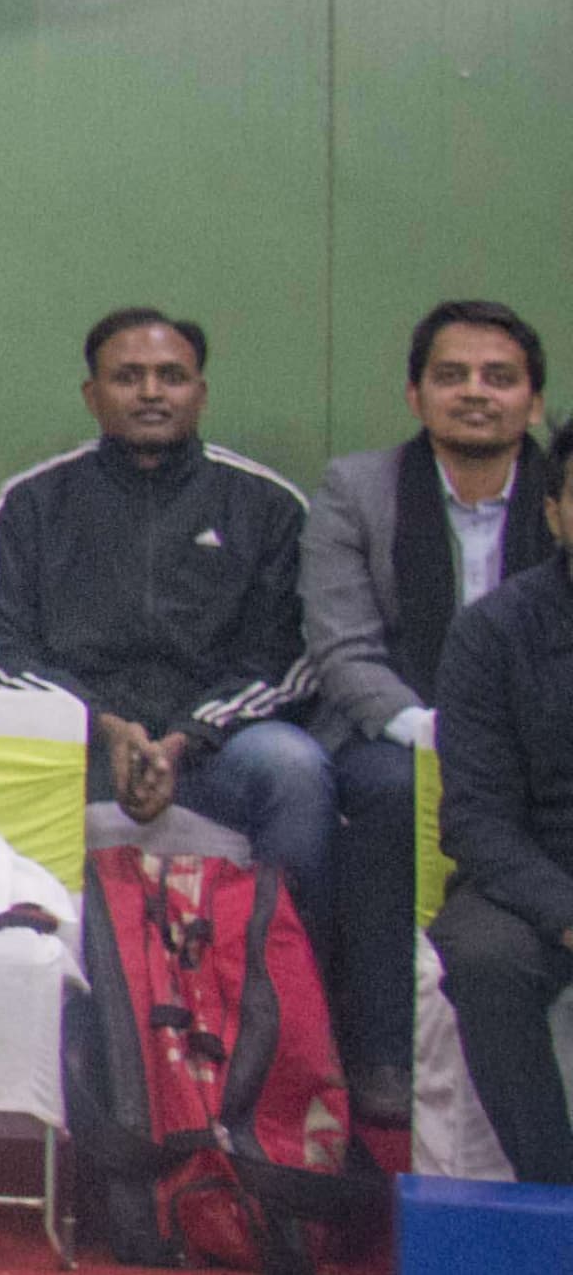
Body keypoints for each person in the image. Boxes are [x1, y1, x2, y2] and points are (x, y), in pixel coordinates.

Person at [0, 310, 333, 979]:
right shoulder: (34, 501)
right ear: (92, 394)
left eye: (172, 376)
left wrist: (186, 737)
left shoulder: (265, 504)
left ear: (202, 392)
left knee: (296, 768)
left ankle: (282, 996)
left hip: (217, 751)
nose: (152, 392)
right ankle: (32, 1000)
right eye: (128, 377)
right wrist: (99, 724)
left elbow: (292, 656)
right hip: (78, 747)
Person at [304, 300, 556, 1127]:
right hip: (398, 730)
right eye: (451, 375)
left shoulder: (563, 499)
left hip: (540, 741)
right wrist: (433, 731)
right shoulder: (358, 488)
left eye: (500, 376)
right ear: (415, 395)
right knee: (386, 794)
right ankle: (382, 1050)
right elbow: (343, 649)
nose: (475, 392)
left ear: (535, 400)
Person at [429, 451, 573, 1184]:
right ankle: (556, 1190)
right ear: (554, 512)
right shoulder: (493, 633)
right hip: (532, 873)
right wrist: (564, 909)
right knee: (484, 955)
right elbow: (477, 818)